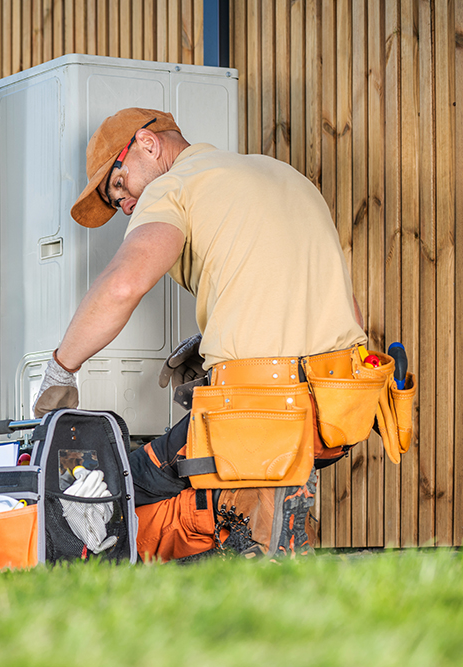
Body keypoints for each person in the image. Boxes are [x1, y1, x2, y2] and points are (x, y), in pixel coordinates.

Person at [32, 107, 368, 560]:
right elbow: (345, 309)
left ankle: (250, 540)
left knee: (121, 481)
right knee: (223, 470)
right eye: (117, 202)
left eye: (119, 185)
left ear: (147, 144)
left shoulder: (174, 185)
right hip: (337, 409)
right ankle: (267, 524)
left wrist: (61, 368)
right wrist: (222, 341)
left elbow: (123, 285)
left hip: (260, 408)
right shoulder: (283, 175)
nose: (125, 205)